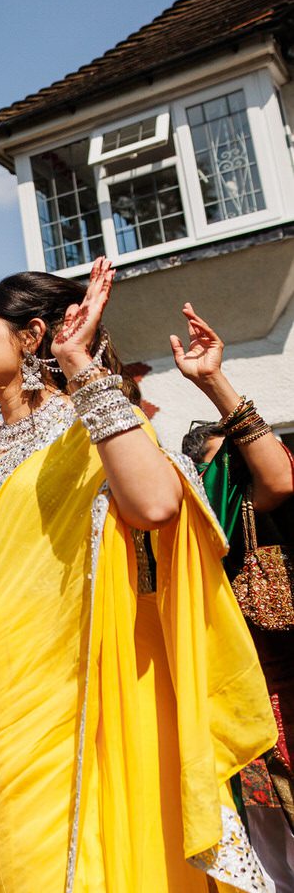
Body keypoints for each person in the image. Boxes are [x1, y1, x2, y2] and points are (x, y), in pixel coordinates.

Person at [0, 260, 276, 891]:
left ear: (32, 336)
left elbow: (155, 507)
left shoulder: (96, 420)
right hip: (5, 689)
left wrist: (83, 369)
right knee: (24, 857)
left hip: (86, 677)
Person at [172, 303, 294, 886]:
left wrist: (216, 384)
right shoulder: (177, 508)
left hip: (280, 681)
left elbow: (277, 476)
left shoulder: (251, 493)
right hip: (223, 687)